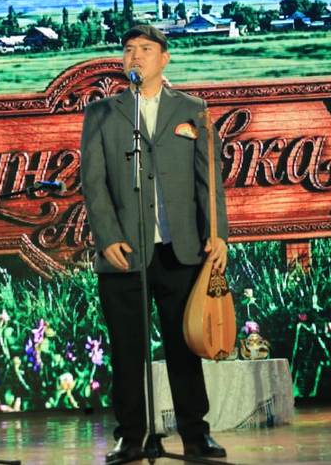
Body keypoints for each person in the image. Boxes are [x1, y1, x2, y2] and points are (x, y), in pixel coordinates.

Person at [80, 25, 228, 463]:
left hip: (180, 250)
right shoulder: (103, 113)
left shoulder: (192, 110)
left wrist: (217, 234)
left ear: (165, 58)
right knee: (127, 351)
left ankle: (196, 435)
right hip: (124, 252)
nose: (136, 56)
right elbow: (94, 183)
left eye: (146, 49)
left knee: (184, 347)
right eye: (129, 50)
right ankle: (132, 437)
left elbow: (209, 181)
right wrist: (107, 237)